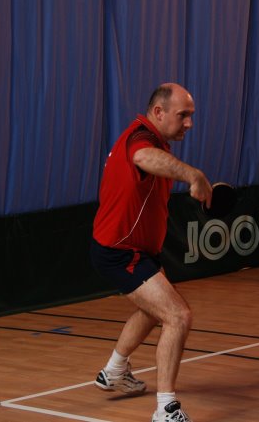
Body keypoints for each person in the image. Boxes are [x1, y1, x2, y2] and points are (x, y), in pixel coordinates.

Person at [91, 83, 212, 421]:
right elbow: (143, 158)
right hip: (120, 251)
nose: (189, 123)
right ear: (158, 112)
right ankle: (166, 409)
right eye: (183, 115)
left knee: (153, 310)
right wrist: (193, 174)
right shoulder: (140, 138)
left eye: (191, 116)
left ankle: (114, 371)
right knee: (178, 316)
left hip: (137, 250)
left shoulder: (156, 141)